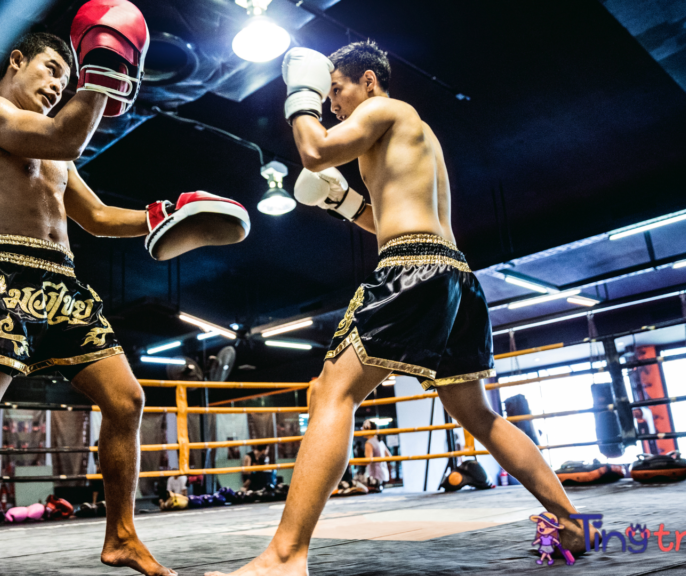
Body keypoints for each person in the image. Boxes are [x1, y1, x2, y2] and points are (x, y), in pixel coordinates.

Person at [206, 40, 584, 576]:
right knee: (477, 413)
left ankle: (285, 557)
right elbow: (385, 221)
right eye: (327, 93)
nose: (333, 102)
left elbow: (313, 151)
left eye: (336, 89)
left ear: (368, 81)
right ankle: (570, 519)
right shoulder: (407, 134)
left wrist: (300, 93)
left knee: (330, 391)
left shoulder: (386, 109)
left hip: (413, 271)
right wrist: (340, 202)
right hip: (454, 275)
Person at [0, 2, 247, 574]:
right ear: (16, 61)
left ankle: (121, 537)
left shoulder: (55, 151)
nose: (60, 85)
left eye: (68, 76)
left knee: (127, 398)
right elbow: (64, 137)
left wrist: (164, 214)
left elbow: (99, 217)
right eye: (52, 71)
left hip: (63, 283)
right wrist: (105, 69)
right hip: (3, 277)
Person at [360, 420, 389, 486]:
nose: (361, 431)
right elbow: (389, 456)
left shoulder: (369, 443)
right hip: (383, 474)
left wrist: (351, 462)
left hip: (374, 477)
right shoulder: (380, 441)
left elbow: (368, 461)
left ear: (368, 429)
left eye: (362, 428)